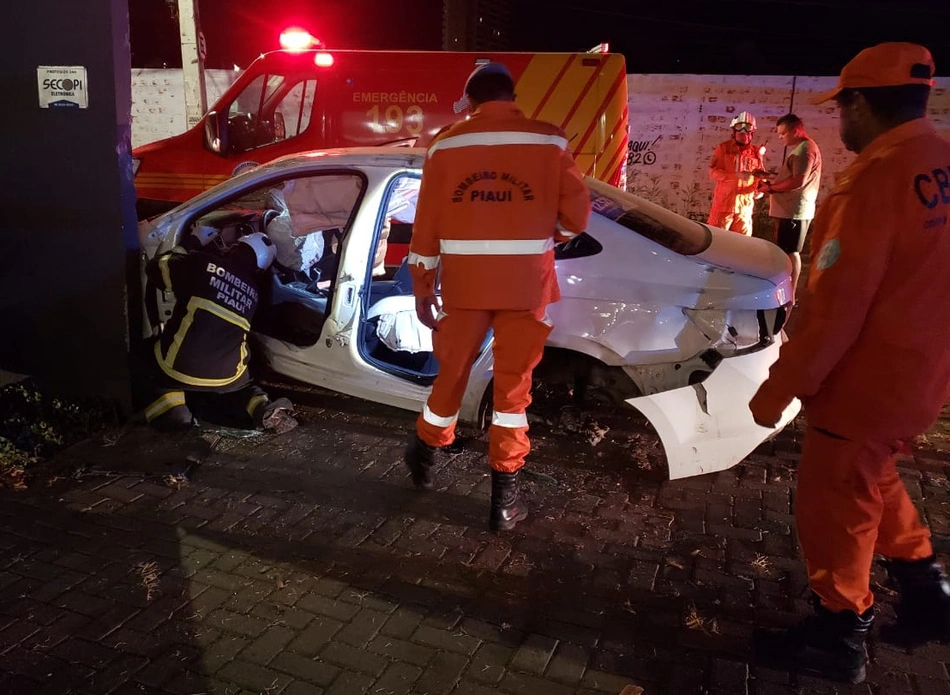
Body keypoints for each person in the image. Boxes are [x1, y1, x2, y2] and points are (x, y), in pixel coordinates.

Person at [748, 42, 950, 683]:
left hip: (865, 380)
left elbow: (834, 308)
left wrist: (778, 390)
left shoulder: (872, 182)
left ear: (861, 103)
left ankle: (840, 631)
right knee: (873, 476)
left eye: (843, 107)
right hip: (921, 373)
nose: (841, 121)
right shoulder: (942, 163)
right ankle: (927, 593)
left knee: (836, 503)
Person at [403, 61, 591, 531]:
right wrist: (546, 236)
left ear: (471, 102)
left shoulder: (445, 143)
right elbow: (578, 217)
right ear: (512, 97)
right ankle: (504, 503)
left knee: (452, 373)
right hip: (526, 285)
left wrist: (423, 288)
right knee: (512, 390)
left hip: (465, 285)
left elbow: (425, 226)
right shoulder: (549, 140)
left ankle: (425, 452)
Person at [142, 227, 298, 434]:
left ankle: (175, 415)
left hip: (178, 367)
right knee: (245, 386)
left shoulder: (201, 263)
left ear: (233, 247)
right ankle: (261, 408)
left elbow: (155, 268)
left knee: (147, 364)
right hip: (227, 378)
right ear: (259, 269)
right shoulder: (254, 293)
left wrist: (192, 242)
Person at [757, 114, 822, 297]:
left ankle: (789, 293)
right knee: (787, 250)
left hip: (793, 211)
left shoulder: (804, 150)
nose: (781, 137)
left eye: (783, 133)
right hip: (790, 210)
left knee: (790, 251)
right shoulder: (802, 149)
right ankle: (786, 289)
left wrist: (771, 188)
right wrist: (771, 177)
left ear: (796, 130)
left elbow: (797, 181)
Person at [707, 111, 766, 235]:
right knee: (717, 242)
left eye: (747, 129)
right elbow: (713, 172)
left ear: (752, 133)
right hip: (723, 207)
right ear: (734, 131)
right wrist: (734, 177)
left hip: (744, 209)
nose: (743, 132)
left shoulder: (756, 153)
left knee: (742, 245)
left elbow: (760, 176)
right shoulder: (723, 148)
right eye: (740, 129)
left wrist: (761, 188)